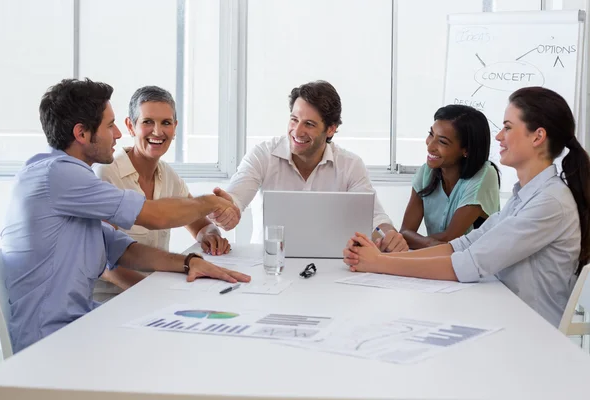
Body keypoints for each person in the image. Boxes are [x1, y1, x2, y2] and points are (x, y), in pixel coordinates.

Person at [1, 78, 250, 353]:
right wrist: (212, 201)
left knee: (192, 336)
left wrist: (189, 262)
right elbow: (153, 216)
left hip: (82, 323)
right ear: (82, 133)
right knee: (186, 346)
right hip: (53, 342)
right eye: (110, 125)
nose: (118, 134)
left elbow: (124, 249)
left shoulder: (71, 182)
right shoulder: (58, 175)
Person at [343, 86, 590, 327]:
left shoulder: (550, 202)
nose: (499, 136)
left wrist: (379, 264)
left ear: (538, 136)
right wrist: (386, 257)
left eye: (507, 127)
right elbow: (462, 245)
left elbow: (470, 263)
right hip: (504, 315)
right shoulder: (524, 196)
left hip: (532, 332)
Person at [211, 80, 408, 252]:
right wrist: (227, 211)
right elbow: (235, 197)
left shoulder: (350, 165)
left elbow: (374, 219)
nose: (297, 131)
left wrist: (388, 235)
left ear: (331, 129)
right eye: (294, 120)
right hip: (269, 265)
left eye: (309, 124)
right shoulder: (263, 155)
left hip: (331, 269)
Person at [93, 86, 229, 302]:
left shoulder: (168, 176)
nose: (157, 132)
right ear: (130, 126)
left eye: (166, 123)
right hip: (111, 302)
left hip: (154, 297)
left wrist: (210, 235)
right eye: (147, 122)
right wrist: (156, 294)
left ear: (175, 128)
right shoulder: (107, 173)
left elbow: (201, 225)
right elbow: (105, 265)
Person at [400, 105, 500, 249]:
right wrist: (425, 243)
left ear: (466, 150)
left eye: (442, 141)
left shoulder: (485, 174)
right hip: (441, 260)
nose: (430, 146)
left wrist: (415, 241)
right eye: (431, 134)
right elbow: (405, 232)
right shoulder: (426, 172)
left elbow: (451, 238)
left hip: (477, 265)